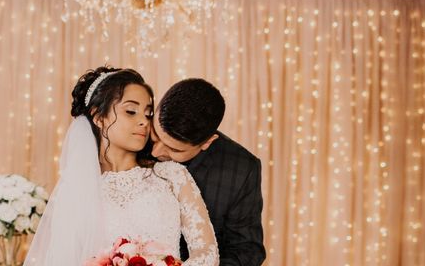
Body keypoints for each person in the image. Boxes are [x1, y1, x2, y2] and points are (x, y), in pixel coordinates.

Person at [24, 67, 219, 266]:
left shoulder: (172, 176)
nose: (143, 121)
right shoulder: (75, 188)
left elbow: (207, 253)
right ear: (99, 117)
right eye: (131, 111)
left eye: (148, 114)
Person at [151, 78, 266, 266]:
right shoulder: (132, 136)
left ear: (207, 142)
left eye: (175, 150)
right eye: (155, 135)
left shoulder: (241, 170)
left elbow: (246, 250)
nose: (156, 152)